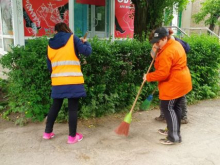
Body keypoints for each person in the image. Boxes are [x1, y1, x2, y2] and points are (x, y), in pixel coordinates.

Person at [43, 22, 92, 144]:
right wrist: (85, 42)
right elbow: (87, 52)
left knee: (55, 106)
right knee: (72, 109)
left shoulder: (50, 45)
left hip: (57, 81)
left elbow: (49, 66)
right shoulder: (73, 38)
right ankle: (72, 137)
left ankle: (47, 133)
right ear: (66, 29)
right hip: (73, 80)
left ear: (56, 32)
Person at [143, 27, 192, 145]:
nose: (156, 44)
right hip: (182, 81)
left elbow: (163, 73)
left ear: (165, 38)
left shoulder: (168, 51)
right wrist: (157, 49)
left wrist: (148, 77)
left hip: (174, 83)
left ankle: (174, 137)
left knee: (167, 108)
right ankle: (172, 131)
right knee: (175, 107)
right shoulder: (174, 43)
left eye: (157, 41)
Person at [151, 31, 190, 124]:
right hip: (166, 73)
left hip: (177, 76)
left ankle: (183, 117)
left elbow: (186, 49)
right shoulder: (159, 44)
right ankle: (164, 115)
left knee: (180, 96)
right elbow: (153, 55)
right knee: (164, 95)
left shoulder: (176, 43)